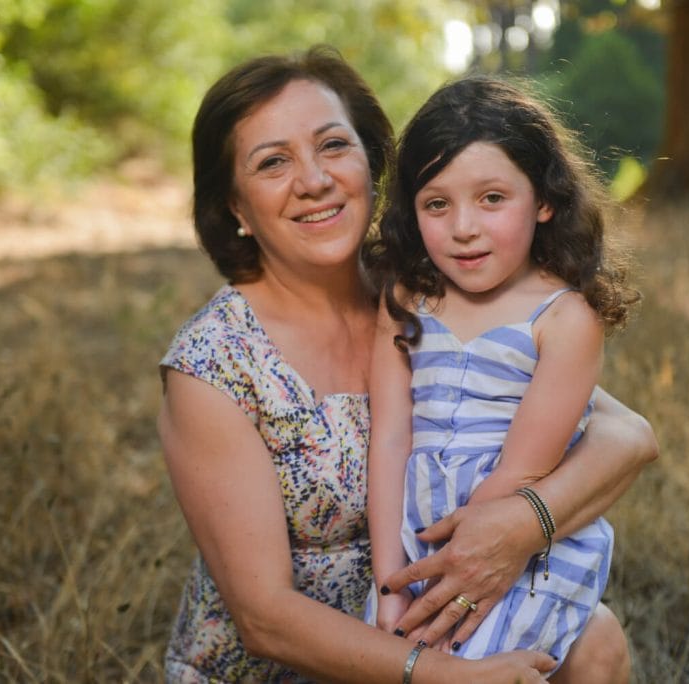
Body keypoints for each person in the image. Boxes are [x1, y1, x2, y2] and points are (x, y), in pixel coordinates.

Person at [157, 46, 657, 683]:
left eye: (333, 146)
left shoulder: (429, 289)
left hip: (454, 606)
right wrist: (445, 672)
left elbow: (624, 433)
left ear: (374, 164)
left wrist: (520, 524)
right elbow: (265, 620)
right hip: (301, 664)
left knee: (596, 640)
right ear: (235, 207)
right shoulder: (215, 364)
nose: (314, 180)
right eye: (273, 162)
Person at [363, 75, 639, 679]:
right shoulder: (406, 301)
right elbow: (390, 438)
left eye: (492, 198)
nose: (464, 227)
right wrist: (389, 582)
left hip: (509, 554)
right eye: (437, 204)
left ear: (544, 200)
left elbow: (521, 472)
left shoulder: (564, 318)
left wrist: (458, 573)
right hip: (415, 553)